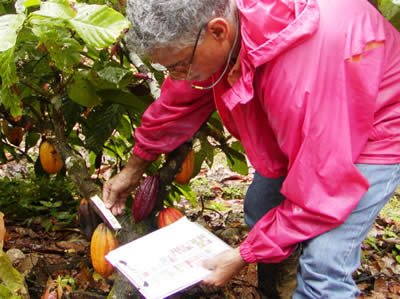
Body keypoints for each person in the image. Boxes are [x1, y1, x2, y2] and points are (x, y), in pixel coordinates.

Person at [102, 0, 400, 297]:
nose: (177, 75)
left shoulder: (298, 74)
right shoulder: (215, 31)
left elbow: (322, 184)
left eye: (179, 65)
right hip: (314, 123)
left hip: (378, 123)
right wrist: (133, 168)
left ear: (218, 31)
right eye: (168, 68)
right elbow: (178, 100)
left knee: (324, 265)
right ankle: (281, 287)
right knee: (261, 209)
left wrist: (242, 255)